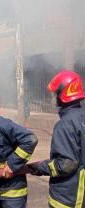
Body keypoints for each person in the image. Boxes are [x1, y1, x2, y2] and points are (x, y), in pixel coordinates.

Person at [29, 70, 85, 208]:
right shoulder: (81, 117)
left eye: (55, 94)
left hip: (67, 198)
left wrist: (40, 167)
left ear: (63, 94)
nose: (53, 98)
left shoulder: (64, 125)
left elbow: (66, 164)